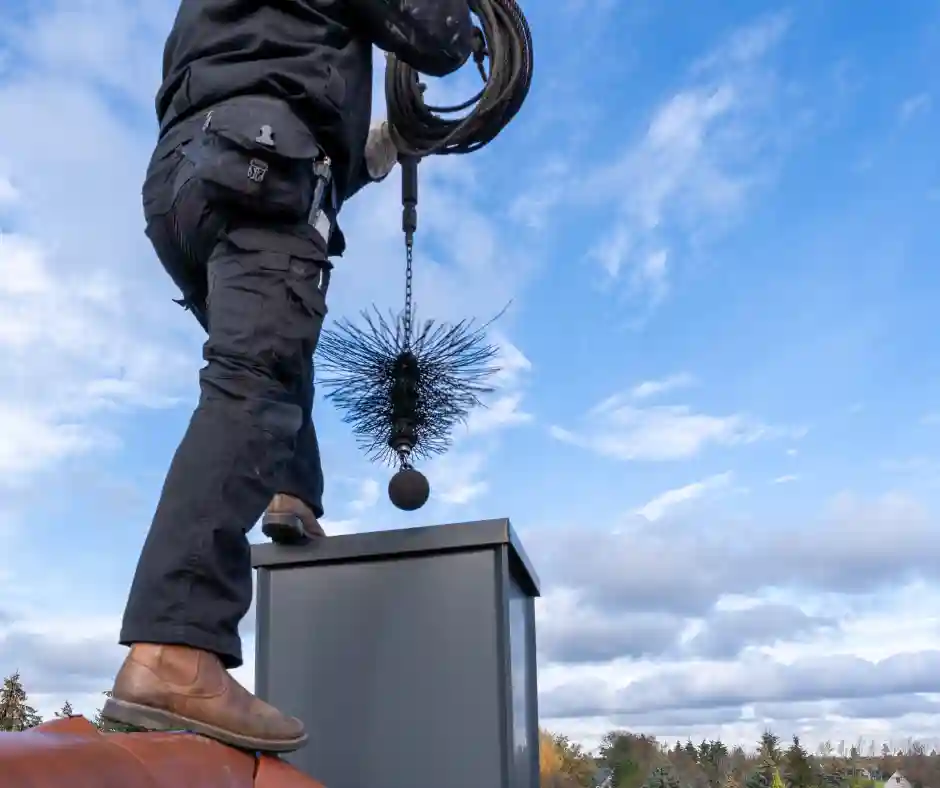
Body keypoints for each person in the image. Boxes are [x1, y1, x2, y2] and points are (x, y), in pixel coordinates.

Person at [102, 0, 475, 753]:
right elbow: (437, 36)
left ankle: (292, 494)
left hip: (188, 179)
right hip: (258, 163)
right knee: (257, 378)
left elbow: (271, 81)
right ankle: (175, 651)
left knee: (271, 352)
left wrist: (376, 148)